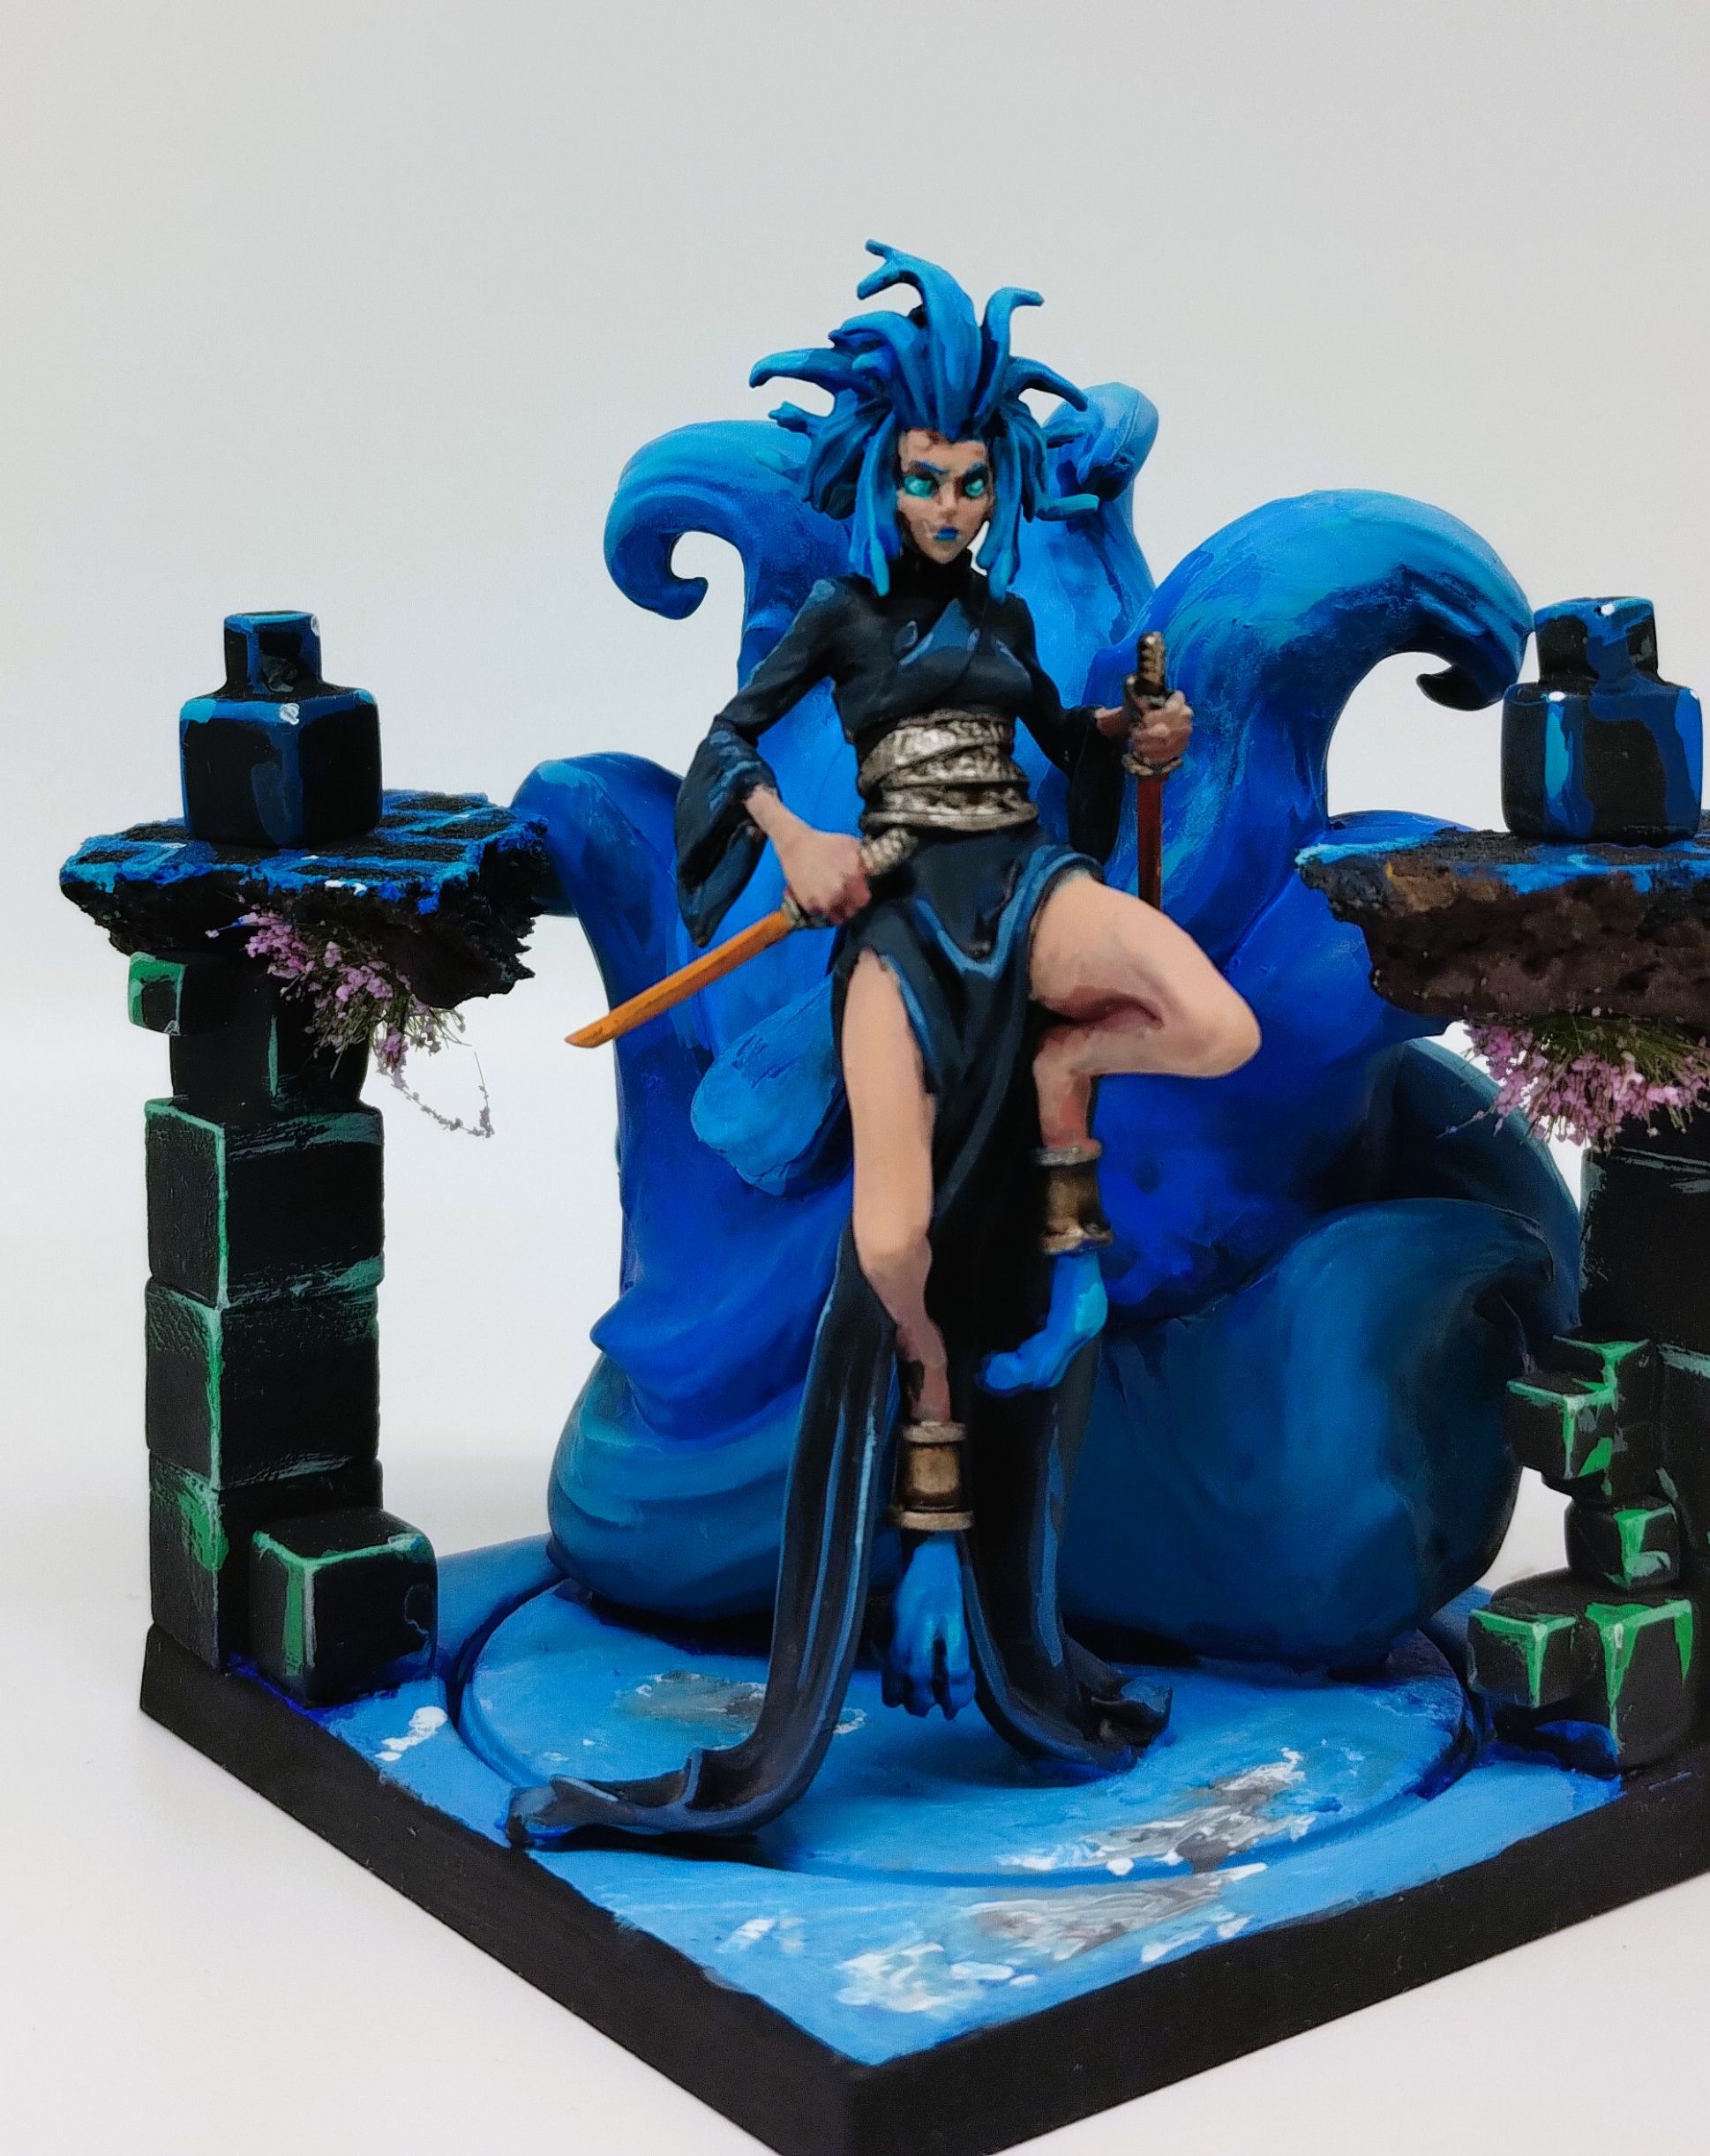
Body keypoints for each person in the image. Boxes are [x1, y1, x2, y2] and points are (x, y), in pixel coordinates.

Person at [508, 245, 1257, 1847]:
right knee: (897, 1238)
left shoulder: (1001, 615)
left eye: (973, 481)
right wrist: (794, 837)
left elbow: (1068, 759)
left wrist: (1139, 740)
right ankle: (925, 1490)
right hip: (902, 927)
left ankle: (1060, 1082)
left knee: (1211, 1019)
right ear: (884, 481)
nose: (950, 506)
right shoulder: (844, 620)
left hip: (1027, 889)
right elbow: (725, 751)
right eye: (926, 480)